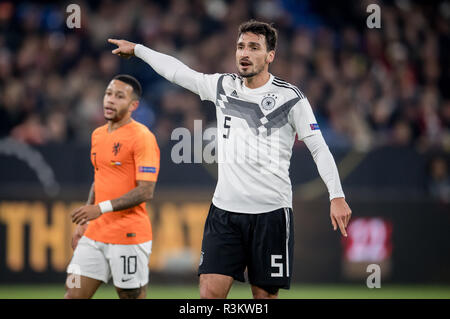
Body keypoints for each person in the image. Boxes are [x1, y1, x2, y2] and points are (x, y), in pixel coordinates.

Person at [109, 20, 351, 299]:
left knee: (263, 299)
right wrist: (139, 49)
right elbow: (179, 73)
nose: (244, 53)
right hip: (225, 213)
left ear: (270, 56)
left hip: (271, 215)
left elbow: (319, 147)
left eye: (253, 47)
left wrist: (337, 195)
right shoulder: (223, 86)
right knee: (209, 294)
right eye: (240, 47)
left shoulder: (290, 98)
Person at [64, 74, 160, 299]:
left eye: (119, 96)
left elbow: (146, 190)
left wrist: (100, 208)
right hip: (94, 235)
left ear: (133, 105)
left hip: (128, 235)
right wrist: (87, 219)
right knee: (72, 295)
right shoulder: (97, 134)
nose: (110, 100)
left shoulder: (142, 137)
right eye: (108, 94)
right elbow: (100, 177)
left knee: (131, 297)